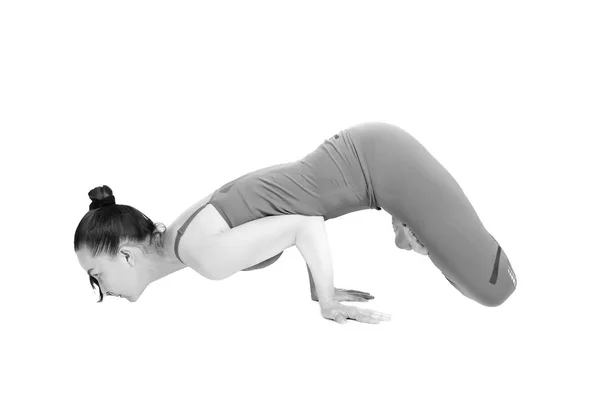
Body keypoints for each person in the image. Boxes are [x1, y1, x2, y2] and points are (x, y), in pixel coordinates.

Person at [74, 122, 516, 324]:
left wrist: (325, 299)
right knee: (422, 248)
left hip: (382, 164)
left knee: (494, 289)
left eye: (96, 274)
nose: (99, 288)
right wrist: (317, 285)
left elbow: (305, 224)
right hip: (371, 163)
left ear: (126, 254)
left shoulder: (201, 254)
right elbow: (280, 206)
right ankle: (422, 230)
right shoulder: (180, 236)